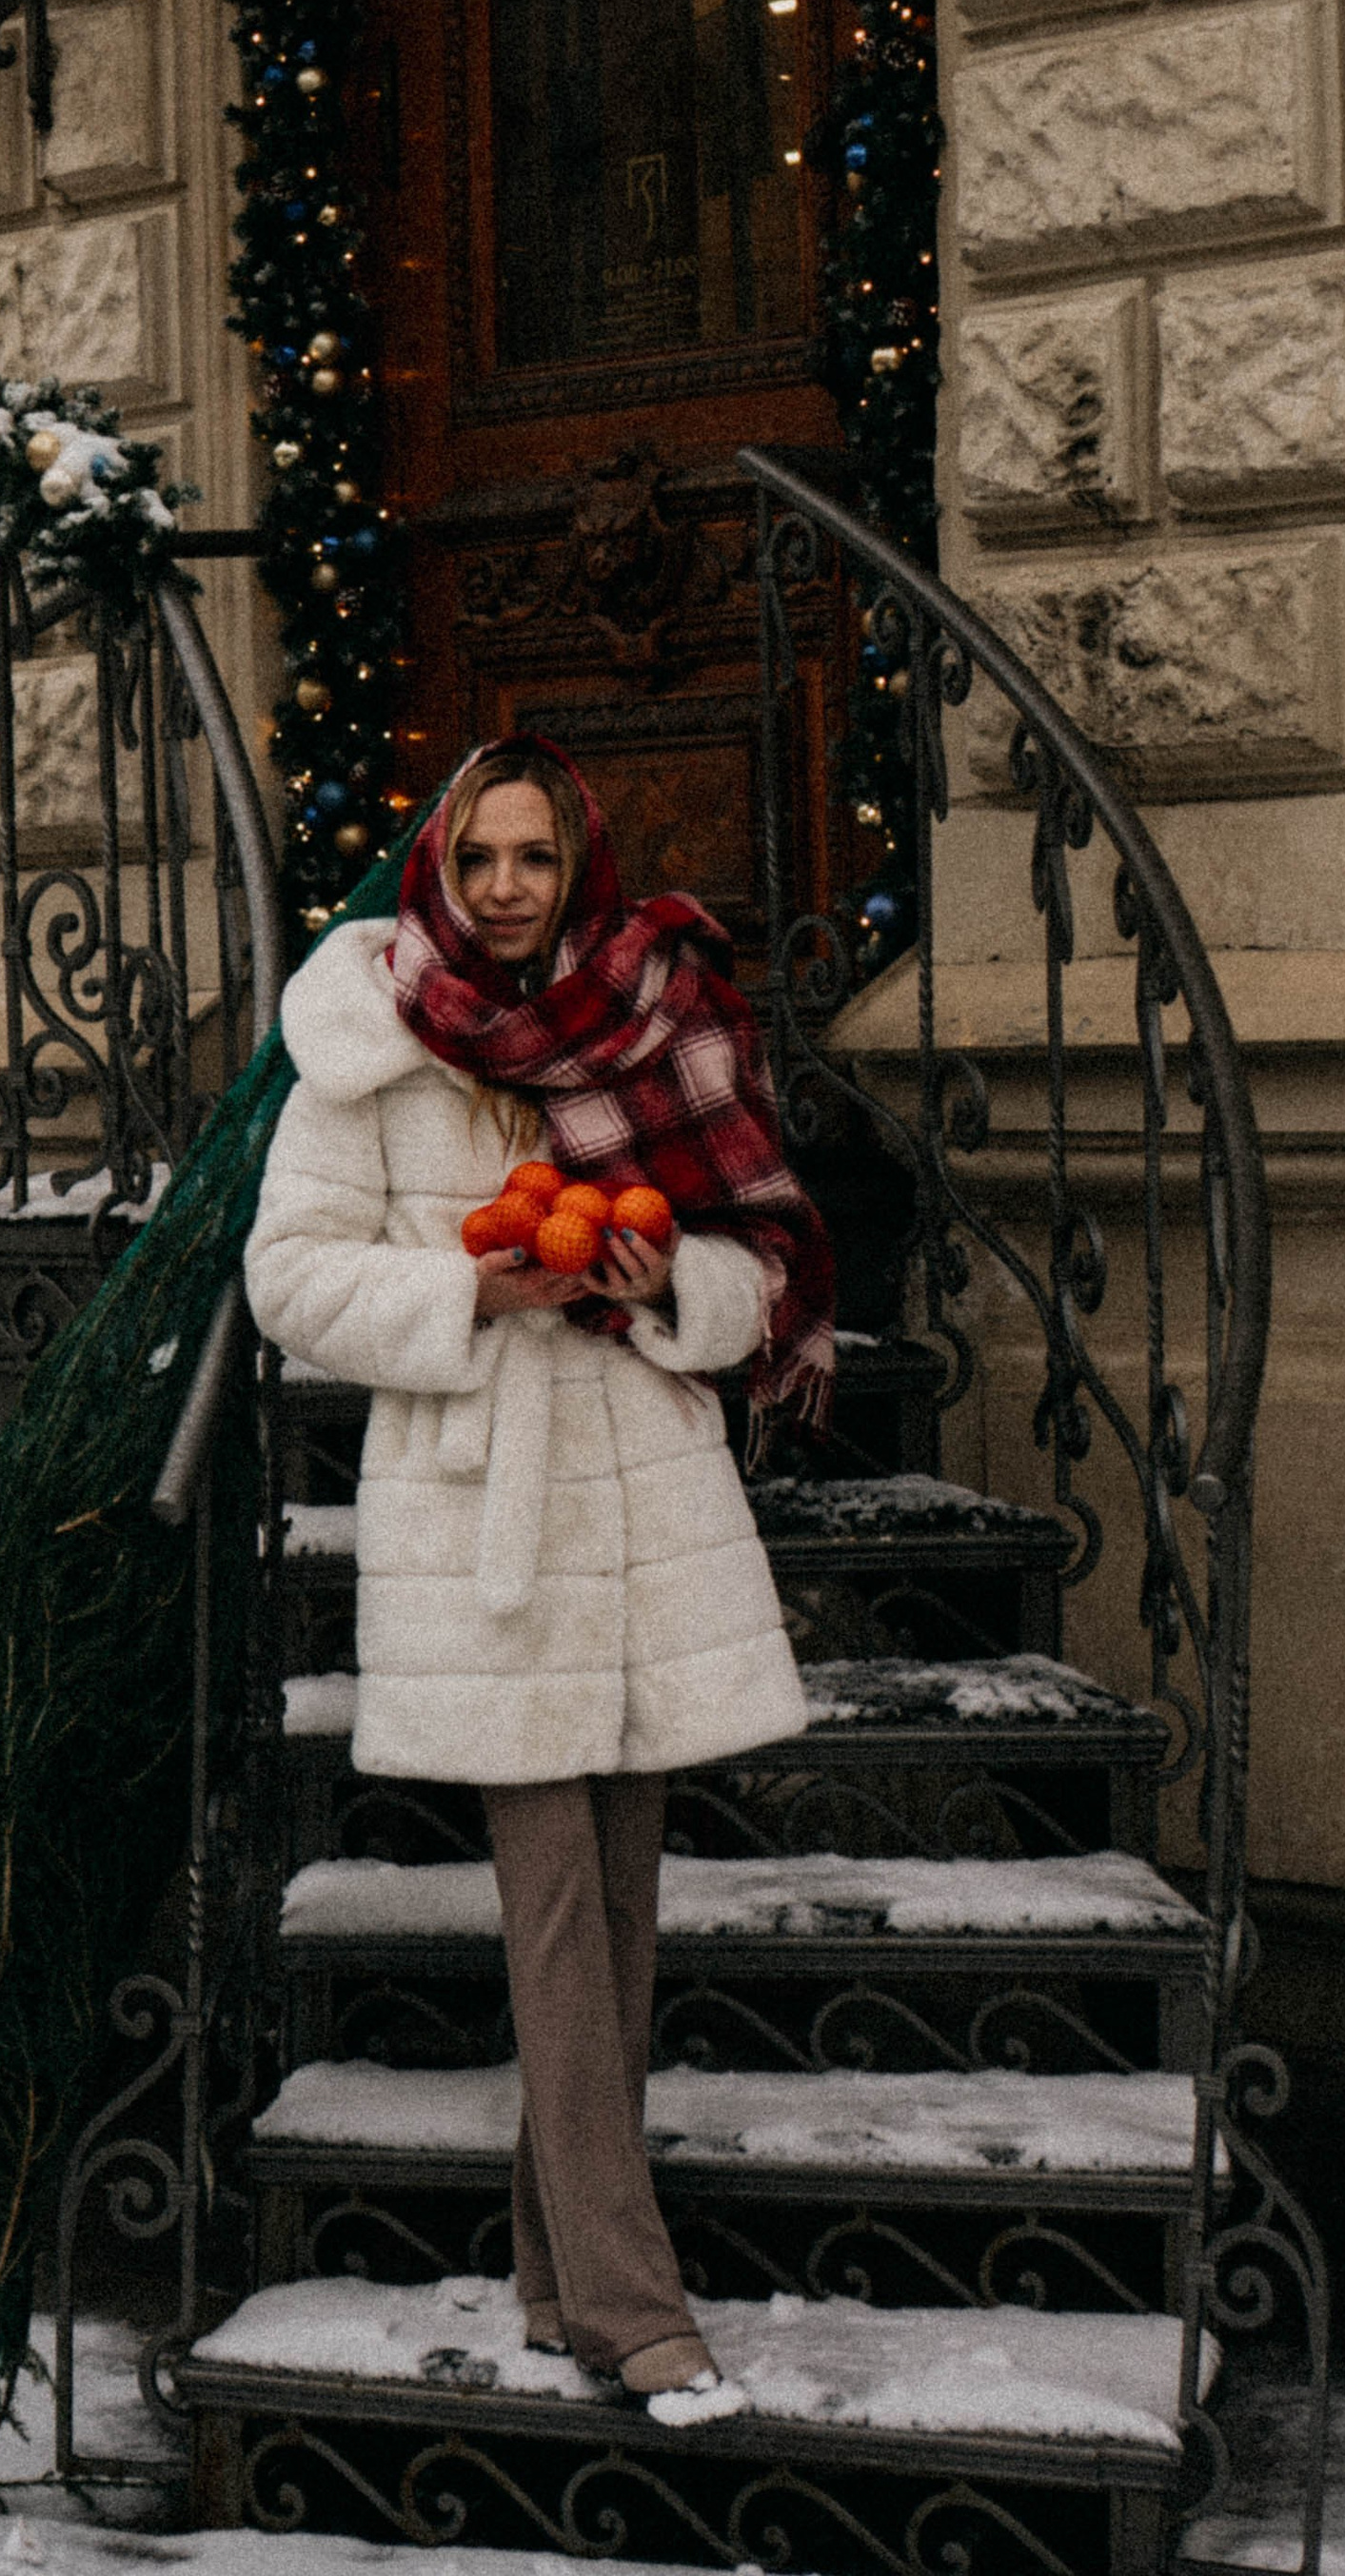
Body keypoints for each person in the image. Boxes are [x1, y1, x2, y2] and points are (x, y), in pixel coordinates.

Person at [243, 737, 838, 2425]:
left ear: (577, 863)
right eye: (479, 858)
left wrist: (670, 1286)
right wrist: (471, 1296)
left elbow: (762, 1260)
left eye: (534, 859)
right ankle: (644, 2317)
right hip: (486, 1529)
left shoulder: (662, 1021)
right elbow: (288, 1278)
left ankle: (553, 2274)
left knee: (628, 1920)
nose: (507, 889)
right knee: (560, 1931)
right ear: (440, 865)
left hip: (643, 1506)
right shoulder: (367, 1046)